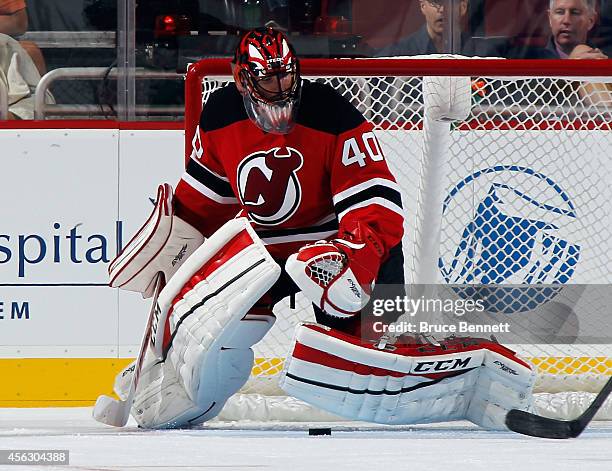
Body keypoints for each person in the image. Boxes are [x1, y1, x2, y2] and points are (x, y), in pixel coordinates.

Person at [99, 27, 535, 430]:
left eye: (287, 78)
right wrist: (173, 258)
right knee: (210, 331)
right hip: (264, 255)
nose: (281, 90)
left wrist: (355, 258)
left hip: (333, 248)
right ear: (239, 77)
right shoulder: (218, 116)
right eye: (267, 80)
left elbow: (377, 205)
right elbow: (202, 208)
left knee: (355, 354)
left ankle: (431, 364)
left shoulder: (329, 111)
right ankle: (170, 383)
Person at [377, 0, 508, 57]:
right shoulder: (397, 54)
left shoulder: (484, 54)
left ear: (463, 7)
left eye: (449, 2)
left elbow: (495, 105)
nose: (443, 10)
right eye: (435, 2)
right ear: (422, 6)